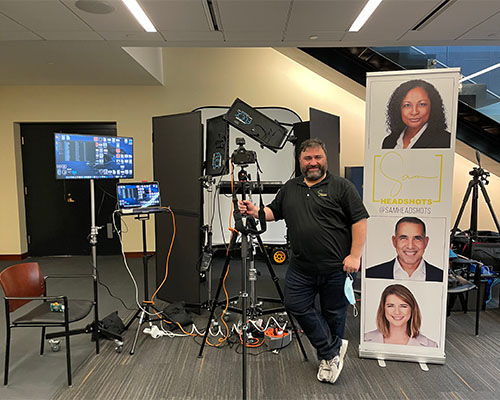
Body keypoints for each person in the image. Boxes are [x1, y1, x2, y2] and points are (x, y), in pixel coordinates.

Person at [238, 138, 369, 384]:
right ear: (300, 161)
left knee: (334, 313)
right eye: (308, 158)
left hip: (336, 266)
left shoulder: (342, 187)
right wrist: (256, 211)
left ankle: (329, 358)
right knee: (295, 304)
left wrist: (355, 255)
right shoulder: (290, 187)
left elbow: (359, 221)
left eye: (317, 157)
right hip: (301, 266)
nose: (313, 162)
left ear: (325, 159)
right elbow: (274, 212)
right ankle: (331, 352)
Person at [366, 217, 443, 282]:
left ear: (426, 242)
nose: (410, 246)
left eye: (417, 238)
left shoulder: (441, 276)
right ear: (394, 241)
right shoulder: (371, 274)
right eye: (403, 238)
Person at [382, 79, 450, 149]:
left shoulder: (445, 140)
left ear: (433, 106)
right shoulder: (389, 142)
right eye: (407, 105)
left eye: (422, 104)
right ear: (398, 109)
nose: (414, 112)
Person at [364, 284, 438, 347]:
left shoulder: (431, 346)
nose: (397, 312)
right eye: (390, 306)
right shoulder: (365, 340)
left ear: (412, 309)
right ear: (383, 309)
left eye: (403, 306)